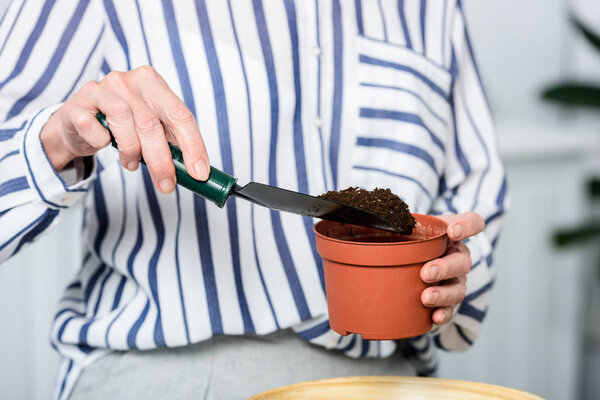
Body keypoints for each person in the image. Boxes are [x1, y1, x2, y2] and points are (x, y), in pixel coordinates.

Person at [0, 0, 507, 399]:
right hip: (174, 371)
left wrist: (454, 267)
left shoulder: (431, 7)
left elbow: (475, 197)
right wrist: (58, 140)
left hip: (391, 374)